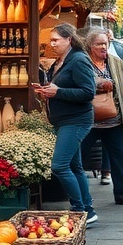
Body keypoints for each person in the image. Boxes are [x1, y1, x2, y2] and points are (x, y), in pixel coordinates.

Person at [33, 24, 98, 225]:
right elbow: (61, 87)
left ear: (69, 39)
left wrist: (57, 92)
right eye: (50, 40)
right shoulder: (60, 61)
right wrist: (47, 90)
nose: (51, 44)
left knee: (59, 165)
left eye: (55, 40)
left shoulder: (78, 60)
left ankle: (79, 209)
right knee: (75, 166)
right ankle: (88, 210)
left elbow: (89, 92)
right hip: (64, 120)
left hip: (76, 120)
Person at [80, 28, 123, 207]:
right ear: (90, 46)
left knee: (120, 158)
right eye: (99, 44)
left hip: (114, 121)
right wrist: (100, 85)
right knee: (78, 158)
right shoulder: (82, 63)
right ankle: (79, 198)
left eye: (105, 43)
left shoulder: (117, 63)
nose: (103, 47)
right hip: (88, 122)